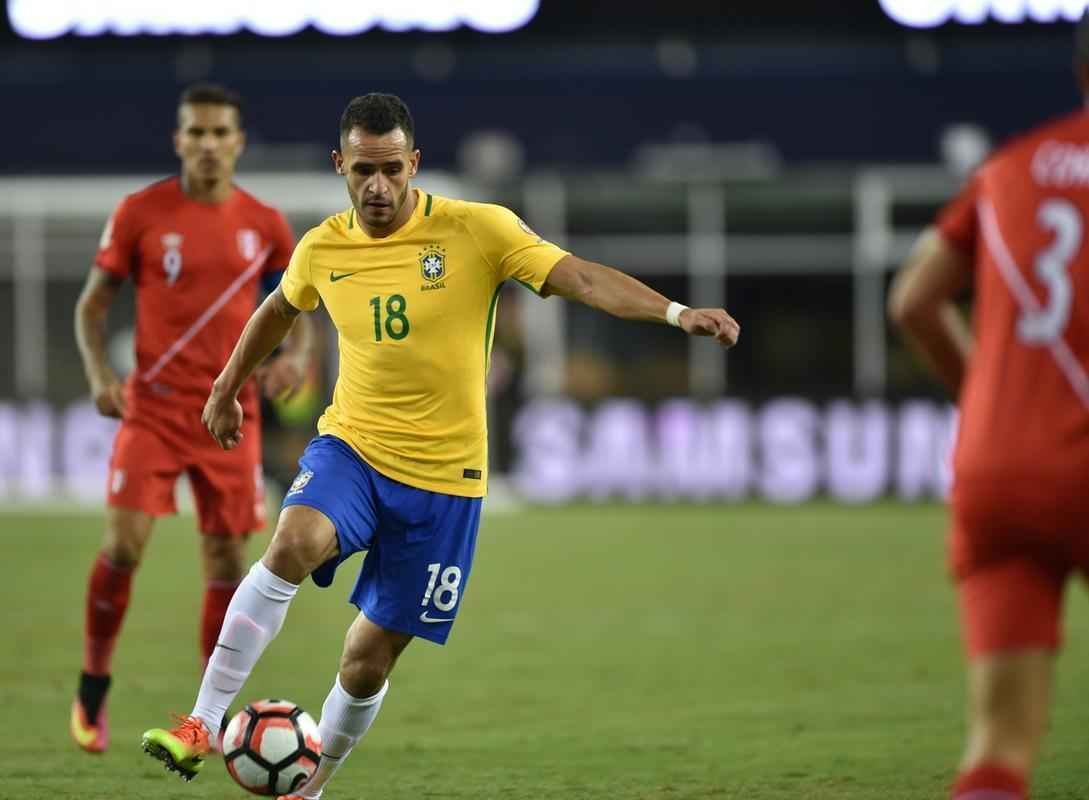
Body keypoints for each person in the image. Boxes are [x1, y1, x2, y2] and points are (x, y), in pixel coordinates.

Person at [140, 92, 739, 798]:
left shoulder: (476, 230)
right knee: (293, 541)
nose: (378, 187)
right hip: (353, 451)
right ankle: (203, 723)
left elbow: (575, 276)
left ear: (414, 163)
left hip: (445, 485)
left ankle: (308, 789)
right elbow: (278, 309)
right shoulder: (323, 246)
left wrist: (674, 313)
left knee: (365, 662)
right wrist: (226, 385)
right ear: (340, 165)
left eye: (392, 170)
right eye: (363, 171)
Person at [71, 83, 312, 753]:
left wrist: (296, 356)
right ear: (179, 140)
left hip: (229, 413)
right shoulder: (141, 213)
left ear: (238, 142)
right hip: (153, 410)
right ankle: (93, 685)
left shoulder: (264, 224)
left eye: (219, 133)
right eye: (195, 133)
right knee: (123, 546)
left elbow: (300, 303)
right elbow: (92, 305)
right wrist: (98, 374)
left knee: (227, 559)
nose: (207, 144)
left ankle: (205, 721)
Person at [888, 17, 1089, 800]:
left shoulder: (1008, 168)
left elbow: (911, 301)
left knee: (998, 752)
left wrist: (987, 400)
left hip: (1001, 470)